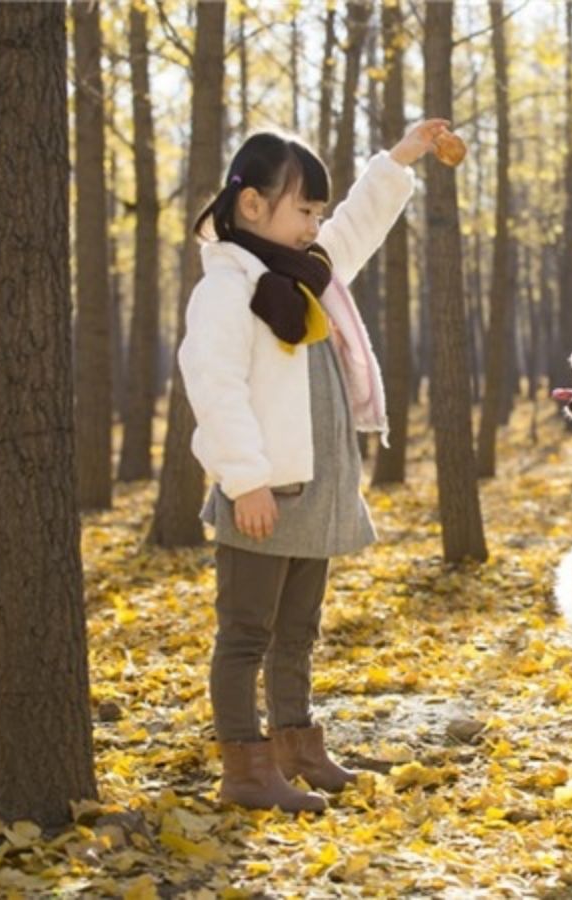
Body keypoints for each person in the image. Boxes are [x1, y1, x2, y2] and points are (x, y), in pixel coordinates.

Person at [178, 119, 449, 812]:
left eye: (317, 214)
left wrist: (400, 158)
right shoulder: (227, 292)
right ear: (252, 207)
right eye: (303, 210)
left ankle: (296, 745)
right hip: (264, 496)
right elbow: (214, 386)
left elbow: (358, 227)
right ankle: (245, 768)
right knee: (245, 636)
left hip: (316, 492)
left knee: (297, 632)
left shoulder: (306, 275)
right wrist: (244, 480)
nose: (314, 225)